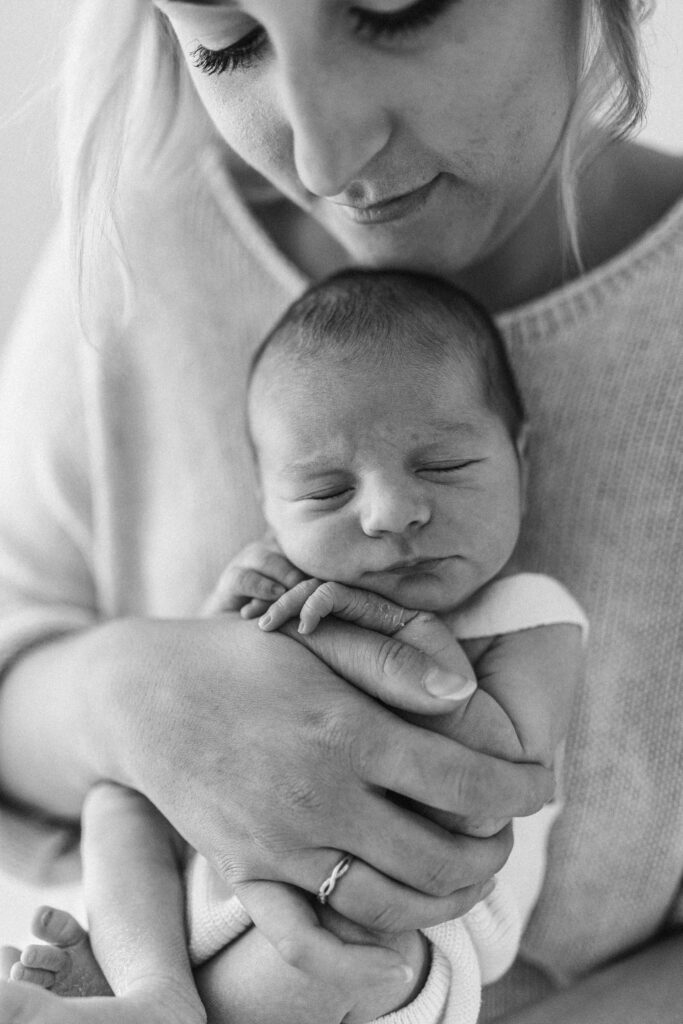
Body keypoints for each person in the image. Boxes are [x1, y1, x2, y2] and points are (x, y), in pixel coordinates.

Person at [0, 0, 681, 1021]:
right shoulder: (142, 231)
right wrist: (135, 698)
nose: (321, 156)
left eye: (393, 9)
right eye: (228, 43)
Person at [2, 269, 587, 1023]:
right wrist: (218, 627)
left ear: (519, 459)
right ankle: (151, 990)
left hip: (403, 920)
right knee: (116, 793)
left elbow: (503, 778)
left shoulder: (531, 615)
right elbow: (193, 713)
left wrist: (402, 637)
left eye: (442, 467)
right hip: (211, 878)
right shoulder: (285, 594)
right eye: (325, 493)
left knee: (339, 964)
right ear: (270, 509)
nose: (389, 512)